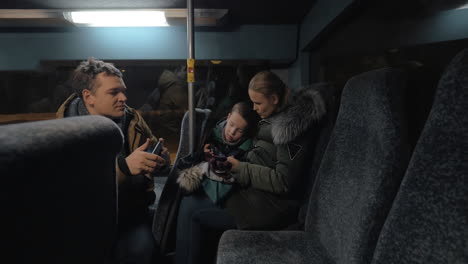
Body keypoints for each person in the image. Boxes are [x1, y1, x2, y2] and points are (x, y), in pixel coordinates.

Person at [56, 57, 170, 264]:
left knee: (145, 253)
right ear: (88, 96)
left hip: (132, 209)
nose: (123, 97)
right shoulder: (64, 131)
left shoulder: (132, 118)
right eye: (113, 92)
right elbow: (72, 189)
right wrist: (124, 168)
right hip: (86, 218)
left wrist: (160, 160)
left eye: (123, 90)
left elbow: (154, 150)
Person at [174, 101, 257, 264]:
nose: (232, 132)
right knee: (184, 198)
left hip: (231, 197)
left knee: (189, 205)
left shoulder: (246, 150)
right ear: (227, 117)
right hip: (209, 184)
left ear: (246, 132)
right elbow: (183, 165)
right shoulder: (210, 132)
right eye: (231, 124)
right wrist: (200, 155)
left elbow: (240, 182)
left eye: (239, 130)